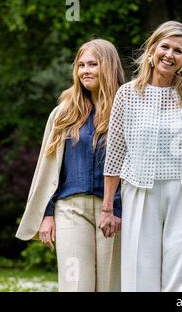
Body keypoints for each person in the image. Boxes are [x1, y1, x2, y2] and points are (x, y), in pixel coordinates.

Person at [99, 20, 182, 292]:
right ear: (152, 49)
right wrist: (107, 208)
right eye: (165, 47)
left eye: (178, 51)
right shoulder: (127, 94)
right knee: (139, 268)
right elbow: (114, 153)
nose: (170, 55)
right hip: (139, 188)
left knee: (181, 269)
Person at [16, 39, 125, 291]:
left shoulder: (126, 110)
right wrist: (47, 213)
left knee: (111, 285)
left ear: (108, 66)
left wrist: (117, 210)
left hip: (116, 210)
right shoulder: (64, 113)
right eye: (81, 65)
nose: (85, 71)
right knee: (76, 285)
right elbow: (49, 168)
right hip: (70, 210)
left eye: (93, 64)